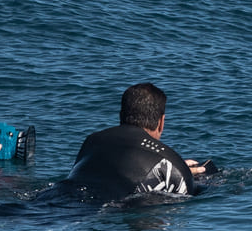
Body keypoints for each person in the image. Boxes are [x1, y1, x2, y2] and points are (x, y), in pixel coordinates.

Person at [49, 83, 206, 204]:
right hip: (96, 212)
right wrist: (183, 172)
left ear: (121, 114)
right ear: (161, 122)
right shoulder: (171, 164)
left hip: (54, 196)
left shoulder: (93, 140)